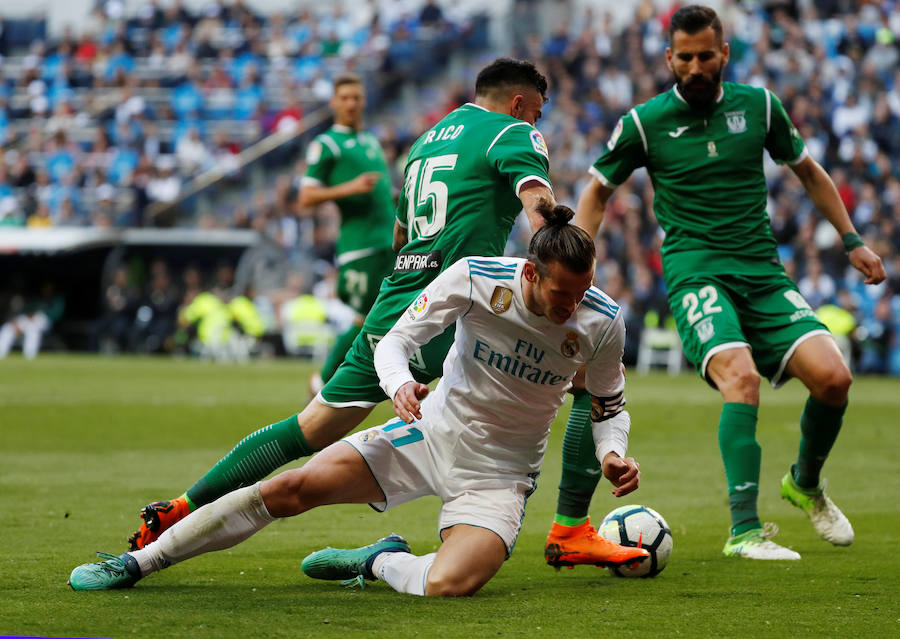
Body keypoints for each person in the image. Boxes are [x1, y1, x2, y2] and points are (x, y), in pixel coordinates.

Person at [126, 59, 602, 565]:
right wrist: (553, 237)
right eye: (537, 112)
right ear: (519, 103)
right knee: (590, 380)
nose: (538, 123)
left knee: (310, 427)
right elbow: (536, 197)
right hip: (455, 308)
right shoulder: (513, 132)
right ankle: (567, 528)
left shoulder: (428, 141)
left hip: (396, 300)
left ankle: (182, 505)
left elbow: (401, 235)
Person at [69, 204, 649, 595]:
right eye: (561, 292)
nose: (573, 303)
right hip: (428, 431)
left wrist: (611, 455)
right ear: (528, 273)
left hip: (500, 474)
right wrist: (398, 384)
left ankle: (377, 560)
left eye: (582, 290)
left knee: (451, 585)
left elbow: (608, 407)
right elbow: (396, 340)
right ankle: (139, 563)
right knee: (290, 489)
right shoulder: (476, 277)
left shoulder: (602, 322)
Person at [570, 5, 886, 560]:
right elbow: (596, 190)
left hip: (762, 272)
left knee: (835, 379)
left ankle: (805, 483)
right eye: (684, 57)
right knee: (741, 378)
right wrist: (575, 261)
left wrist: (852, 239)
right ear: (669, 58)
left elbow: (810, 172)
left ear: (724, 55)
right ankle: (744, 532)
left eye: (705, 56)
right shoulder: (645, 123)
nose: (695, 66)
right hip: (696, 272)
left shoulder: (760, 107)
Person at [298, 73, 397, 395]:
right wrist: (349, 188)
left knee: (389, 313)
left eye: (356, 97)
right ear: (334, 103)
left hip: (389, 242)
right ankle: (324, 381)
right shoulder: (327, 145)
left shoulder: (369, 140)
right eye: (345, 98)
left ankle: (366, 378)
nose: (352, 103)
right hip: (360, 247)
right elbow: (306, 197)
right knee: (365, 316)